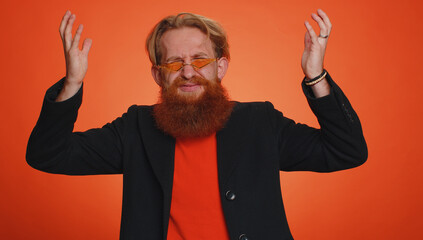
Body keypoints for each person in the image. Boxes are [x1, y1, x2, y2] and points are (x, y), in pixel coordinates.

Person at [26, 9, 367, 240]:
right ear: (158, 75)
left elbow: (347, 151)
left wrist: (316, 77)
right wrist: (71, 83)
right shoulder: (135, 128)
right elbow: (48, 155)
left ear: (220, 68)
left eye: (200, 60)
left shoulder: (260, 122)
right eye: (175, 63)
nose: (188, 72)